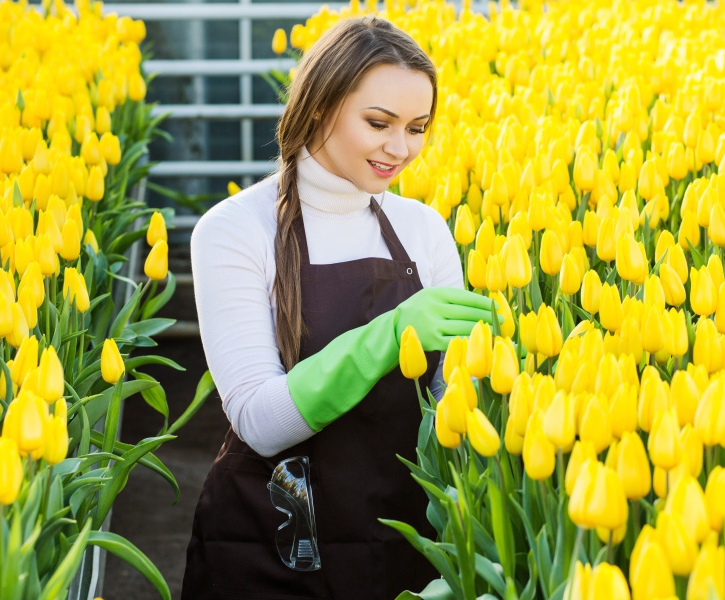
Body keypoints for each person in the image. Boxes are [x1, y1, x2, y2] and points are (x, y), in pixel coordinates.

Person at [182, 15, 497, 599]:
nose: (400, 149)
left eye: (418, 128)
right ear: (321, 106)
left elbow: (449, 405)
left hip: (403, 535)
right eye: (379, 123)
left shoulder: (423, 229)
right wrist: (389, 334)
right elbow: (260, 420)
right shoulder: (233, 230)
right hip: (273, 543)